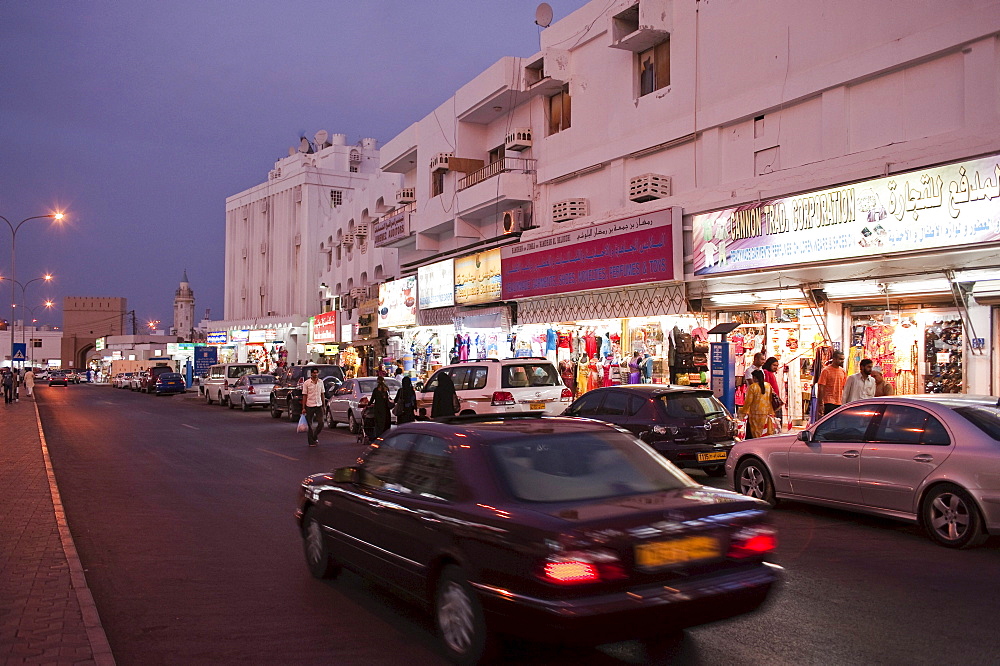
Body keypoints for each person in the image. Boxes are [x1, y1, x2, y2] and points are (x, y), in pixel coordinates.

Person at [738, 369, 777, 439]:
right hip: (767, 413)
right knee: (765, 431)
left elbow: (748, 401)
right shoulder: (768, 386)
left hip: (755, 413)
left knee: (756, 431)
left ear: (755, 378)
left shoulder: (753, 387)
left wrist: (743, 411)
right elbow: (771, 399)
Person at [300, 367, 325, 447]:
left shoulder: (321, 382)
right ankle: (311, 441)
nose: (315, 374)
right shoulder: (307, 383)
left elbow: (322, 394)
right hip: (309, 405)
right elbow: (304, 395)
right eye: (314, 373)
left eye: (316, 373)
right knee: (309, 424)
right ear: (311, 374)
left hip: (319, 405)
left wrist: (324, 405)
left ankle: (314, 436)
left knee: (321, 423)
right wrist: (303, 408)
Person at [817, 351, 847, 415]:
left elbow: (844, 387)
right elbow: (821, 387)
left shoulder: (843, 371)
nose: (842, 361)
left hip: (839, 402)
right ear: (834, 359)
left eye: (843, 359)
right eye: (840, 359)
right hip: (828, 402)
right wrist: (820, 403)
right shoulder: (826, 371)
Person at [762, 357, 783, 425]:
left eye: (777, 365)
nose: (775, 367)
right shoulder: (766, 372)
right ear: (769, 364)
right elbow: (767, 386)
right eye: (774, 365)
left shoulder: (770, 373)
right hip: (771, 400)